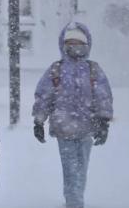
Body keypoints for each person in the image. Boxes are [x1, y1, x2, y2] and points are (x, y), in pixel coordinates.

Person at [32, 22, 114, 208]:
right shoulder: (57, 69)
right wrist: (38, 121)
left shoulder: (93, 69)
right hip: (64, 129)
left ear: (87, 45)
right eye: (70, 43)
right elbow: (44, 96)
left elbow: (103, 96)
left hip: (87, 128)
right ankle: (74, 202)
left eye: (79, 43)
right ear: (64, 45)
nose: (75, 47)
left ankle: (75, 199)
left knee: (82, 168)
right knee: (70, 169)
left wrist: (103, 123)